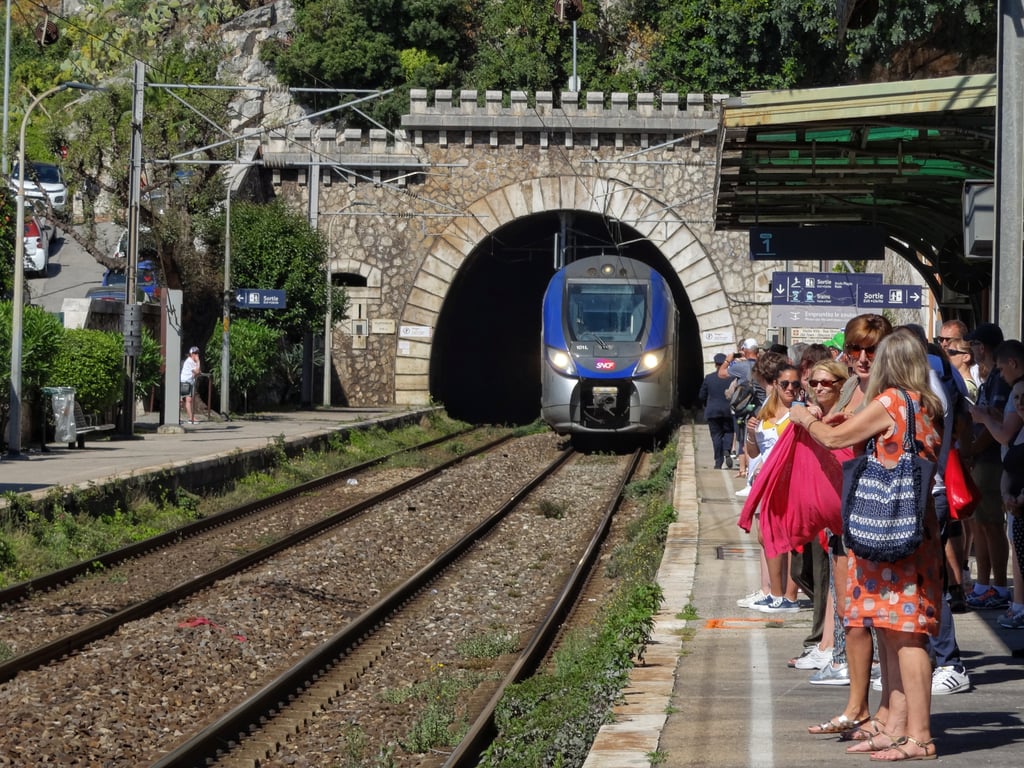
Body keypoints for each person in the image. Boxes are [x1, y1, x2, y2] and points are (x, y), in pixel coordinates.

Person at [794, 328, 942, 760]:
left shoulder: (892, 401)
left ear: (887, 365)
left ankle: (920, 736)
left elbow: (834, 439)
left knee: (908, 634)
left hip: (890, 530)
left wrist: (804, 418)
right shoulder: (924, 404)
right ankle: (897, 725)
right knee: (894, 631)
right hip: (911, 526)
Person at [804, 314, 891, 708]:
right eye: (854, 349)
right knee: (850, 599)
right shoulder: (855, 385)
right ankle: (858, 700)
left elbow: (838, 437)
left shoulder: (889, 392)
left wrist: (807, 421)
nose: (860, 357)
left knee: (879, 607)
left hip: (882, 506)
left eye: (870, 349)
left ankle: (881, 703)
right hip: (851, 501)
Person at [789, 359, 849, 673]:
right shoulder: (818, 415)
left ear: (841, 383)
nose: (818, 389)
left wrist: (803, 418)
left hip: (844, 510)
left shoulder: (846, 415)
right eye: (813, 383)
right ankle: (828, 645)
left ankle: (837, 652)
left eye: (826, 383)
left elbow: (833, 441)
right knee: (826, 583)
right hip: (826, 514)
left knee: (838, 585)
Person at [745, 362, 803, 613]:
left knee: (789, 539)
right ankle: (775, 593)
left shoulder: (800, 412)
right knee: (766, 536)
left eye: (795, 384)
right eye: (785, 384)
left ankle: (789, 596)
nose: (791, 389)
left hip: (790, 481)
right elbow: (753, 452)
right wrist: (749, 435)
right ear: (775, 385)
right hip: (766, 481)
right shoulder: (765, 413)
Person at [963, 323, 1011, 610]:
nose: (972, 351)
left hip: (992, 461)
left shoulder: (999, 379)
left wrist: (970, 452)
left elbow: (992, 425)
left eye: (974, 345)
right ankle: (984, 583)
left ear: (983, 347)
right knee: (981, 524)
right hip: (982, 460)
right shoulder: (991, 377)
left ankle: (1000, 586)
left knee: (992, 525)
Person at [699, 353, 736, 470]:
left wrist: (706, 404)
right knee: (729, 431)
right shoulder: (732, 378)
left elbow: (701, 395)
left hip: (712, 411)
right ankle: (726, 450)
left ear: (715, 364)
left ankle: (718, 462)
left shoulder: (709, 378)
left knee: (716, 436)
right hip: (728, 411)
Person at [180, 346, 202, 424]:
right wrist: (198, 361)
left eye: (197, 353)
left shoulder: (193, 362)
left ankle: (182, 417)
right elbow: (197, 372)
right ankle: (190, 418)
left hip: (189, 382)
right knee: (187, 400)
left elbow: (198, 371)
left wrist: (197, 365)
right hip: (185, 382)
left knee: (183, 400)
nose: (197, 355)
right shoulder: (190, 361)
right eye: (195, 353)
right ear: (191, 354)